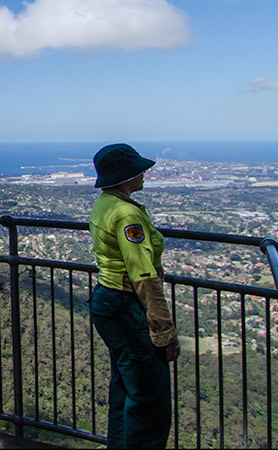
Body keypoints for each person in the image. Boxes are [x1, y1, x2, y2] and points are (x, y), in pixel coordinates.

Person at [88, 143, 180, 448]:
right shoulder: (128, 215)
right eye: (137, 169)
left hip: (107, 301)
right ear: (124, 174)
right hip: (128, 306)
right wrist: (164, 331)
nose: (143, 173)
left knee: (126, 390)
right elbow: (143, 276)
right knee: (149, 400)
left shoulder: (105, 204)